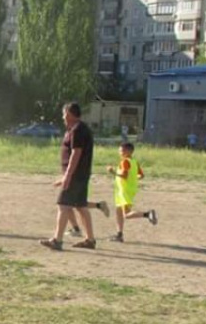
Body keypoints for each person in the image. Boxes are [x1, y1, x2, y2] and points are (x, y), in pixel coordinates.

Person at [40, 102, 96, 251]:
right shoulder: (81, 128)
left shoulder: (77, 130)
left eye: (64, 114)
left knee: (63, 205)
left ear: (69, 114)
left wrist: (68, 176)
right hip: (80, 175)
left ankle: (57, 240)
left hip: (75, 176)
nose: (63, 117)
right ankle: (90, 239)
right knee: (81, 206)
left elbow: (76, 153)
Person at [107, 142, 158, 242]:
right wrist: (133, 180)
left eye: (122, 151)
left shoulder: (125, 162)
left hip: (124, 190)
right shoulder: (134, 161)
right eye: (120, 150)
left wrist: (113, 172)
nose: (120, 152)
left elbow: (124, 176)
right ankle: (119, 234)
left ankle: (147, 214)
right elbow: (141, 175)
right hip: (127, 189)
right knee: (118, 211)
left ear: (129, 151)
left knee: (126, 214)